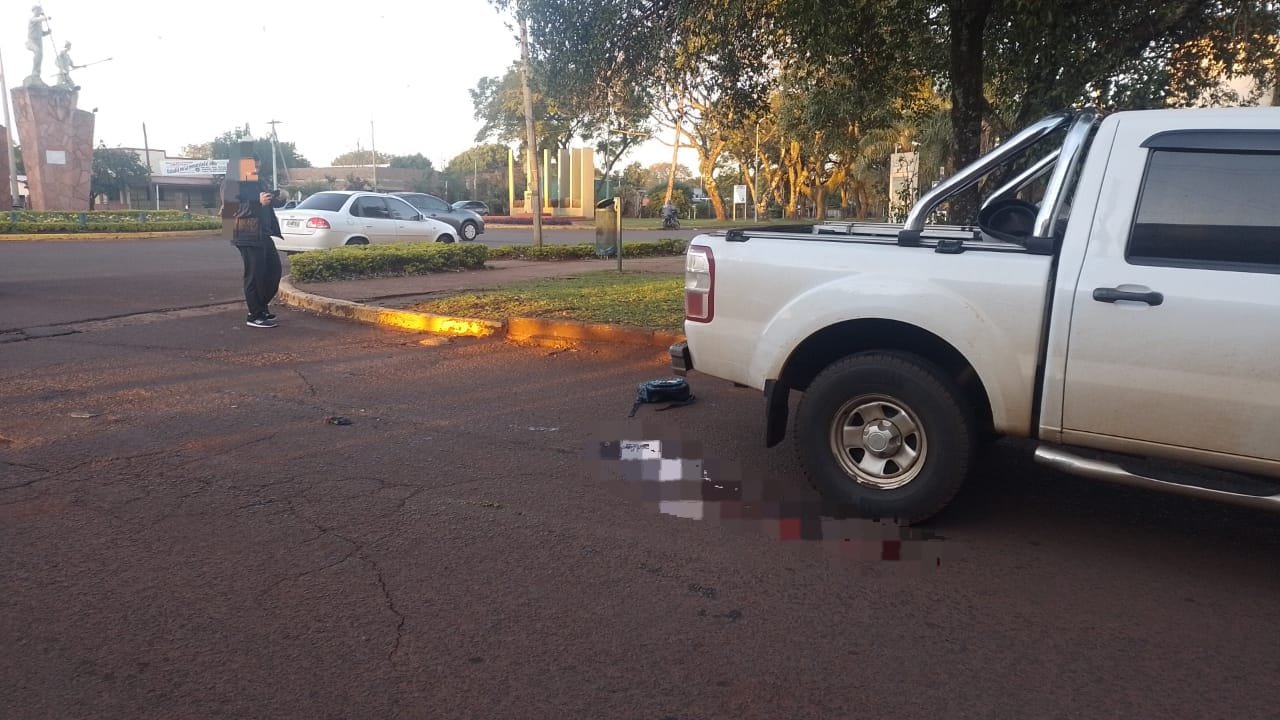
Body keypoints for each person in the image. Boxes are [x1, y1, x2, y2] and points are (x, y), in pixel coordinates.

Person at [229, 155, 287, 328]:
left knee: (274, 272)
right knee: (254, 275)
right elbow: (230, 209)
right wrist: (257, 203)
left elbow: (269, 203)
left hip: (264, 233)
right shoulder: (232, 183)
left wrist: (279, 197)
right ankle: (254, 315)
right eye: (254, 167)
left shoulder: (259, 182)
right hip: (246, 234)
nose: (257, 170)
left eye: (259, 167)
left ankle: (260, 308)